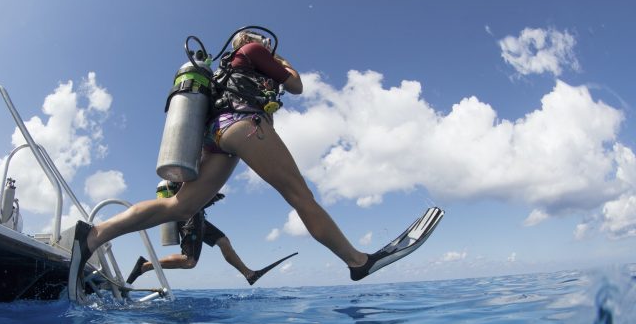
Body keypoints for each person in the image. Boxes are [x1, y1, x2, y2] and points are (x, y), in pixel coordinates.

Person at [69, 29, 441, 301]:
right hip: (244, 125)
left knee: (180, 206)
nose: (263, 43)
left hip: (217, 136)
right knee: (300, 196)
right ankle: (357, 261)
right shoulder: (252, 51)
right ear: (246, 41)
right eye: (257, 40)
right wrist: (282, 61)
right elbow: (295, 86)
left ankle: (94, 235)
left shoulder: (222, 72)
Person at [126, 181, 297, 286]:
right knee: (189, 261)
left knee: (223, 241)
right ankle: (145, 265)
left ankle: (249, 274)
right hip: (190, 216)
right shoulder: (189, 168)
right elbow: (188, 194)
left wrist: (210, 198)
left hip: (197, 214)